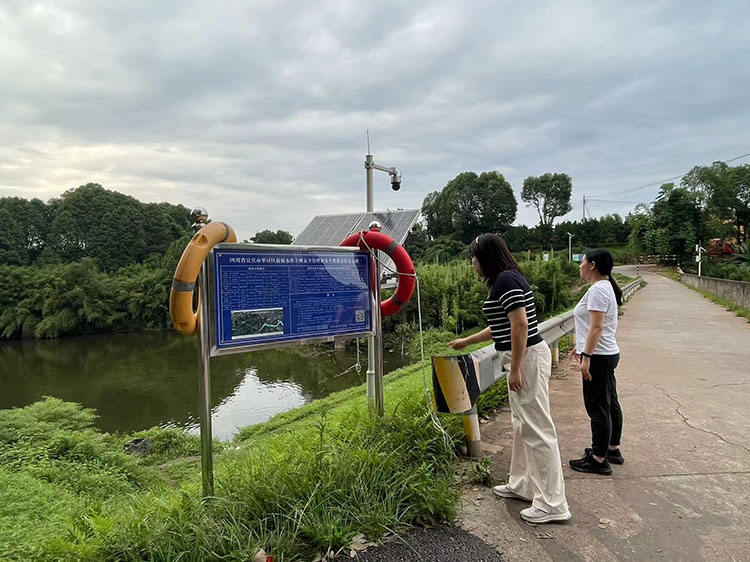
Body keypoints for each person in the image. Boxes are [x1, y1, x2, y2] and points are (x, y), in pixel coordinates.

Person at [449, 234, 570, 524]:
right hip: (520, 356)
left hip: (525, 357)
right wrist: (468, 341)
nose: (472, 264)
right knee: (522, 425)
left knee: (537, 428)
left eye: (474, 258)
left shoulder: (506, 280)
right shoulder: (504, 280)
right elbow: (500, 325)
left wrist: (515, 368)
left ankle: (553, 503)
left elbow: (521, 325)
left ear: (486, 258)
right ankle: (523, 485)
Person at [568, 248, 624, 475]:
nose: (580, 266)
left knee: (598, 407)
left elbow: (597, 326)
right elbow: (593, 327)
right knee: (609, 402)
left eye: (582, 262)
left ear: (592, 265)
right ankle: (611, 449)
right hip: (605, 352)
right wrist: (581, 346)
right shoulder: (605, 286)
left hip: (599, 356)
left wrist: (587, 357)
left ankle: (599, 459)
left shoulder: (598, 290)